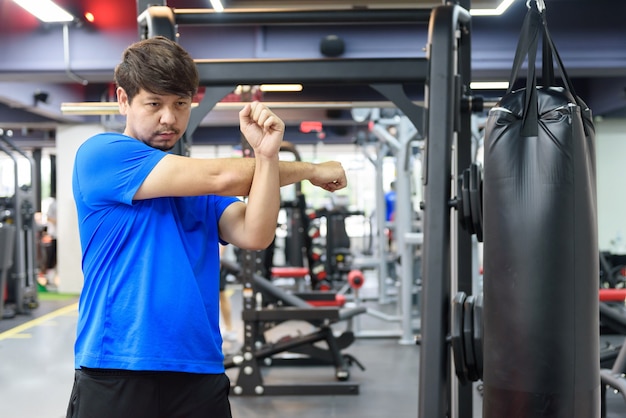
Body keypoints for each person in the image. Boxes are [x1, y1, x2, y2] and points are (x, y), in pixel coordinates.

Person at [67, 36, 347, 418]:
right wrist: (312, 171)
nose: (169, 117)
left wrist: (267, 156)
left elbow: (255, 233)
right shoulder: (102, 155)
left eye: (180, 104)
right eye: (154, 104)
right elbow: (220, 176)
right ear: (122, 100)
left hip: (198, 371)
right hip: (117, 367)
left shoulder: (196, 186)